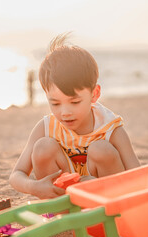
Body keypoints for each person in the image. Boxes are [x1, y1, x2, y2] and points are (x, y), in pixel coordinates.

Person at [9, 33, 140, 199]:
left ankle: (101, 210)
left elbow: (138, 175)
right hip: (65, 199)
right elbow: (16, 175)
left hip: (106, 202)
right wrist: (34, 186)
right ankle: (62, 216)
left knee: (101, 149)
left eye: (75, 102)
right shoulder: (46, 127)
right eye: (55, 103)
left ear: (94, 94)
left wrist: (96, 185)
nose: (65, 112)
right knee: (43, 147)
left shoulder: (110, 128)